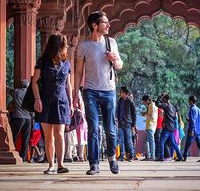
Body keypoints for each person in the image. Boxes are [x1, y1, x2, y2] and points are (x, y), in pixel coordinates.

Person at [73, 11, 123, 175]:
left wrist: (114, 59)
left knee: (110, 128)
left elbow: (120, 65)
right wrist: (75, 94)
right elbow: (79, 71)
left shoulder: (111, 42)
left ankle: (111, 157)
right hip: (90, 91)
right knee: (93, 128)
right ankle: (94, 164)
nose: (108, 25)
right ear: (95, 25)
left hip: (109, 91)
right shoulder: (84, 46)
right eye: (105, 22)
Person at [32, 34, 73, 174]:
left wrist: (72, 103)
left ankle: (61, 164)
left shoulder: (67, 62)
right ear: (57, 46)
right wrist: (37, 99)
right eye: (64, 44)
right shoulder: (43, 61)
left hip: (62, 100)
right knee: (48, 135)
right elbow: (35, 81)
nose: (66, 47)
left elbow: (68, 85)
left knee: (60, 134)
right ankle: (51, 165)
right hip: (45, 100)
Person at [6, 80, 32, 162]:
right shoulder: (30, 94)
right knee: (26, 139)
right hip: (28, 119)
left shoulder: (17, 92)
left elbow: (8, 90)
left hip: (18, 117)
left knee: (13, 136)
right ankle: (23, 157)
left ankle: (10, 152)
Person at [155, 93, 184, 161]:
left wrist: (161, 95)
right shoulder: (173, 107)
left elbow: (157, 103)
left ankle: (161, 157)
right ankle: (180, 156)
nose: (162, 101)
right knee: (173, 143)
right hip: (172, 128)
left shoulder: (166, 105)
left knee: (161, 141)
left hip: (167, 128)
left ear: (165, 99)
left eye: (163, 99)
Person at [183, 96, 200, 162]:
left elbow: (193, 120)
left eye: (189, 100)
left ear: (191, 101)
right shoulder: (198, 109)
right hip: (198, 130)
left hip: (193, 130)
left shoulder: (192, 109)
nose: (188, 102)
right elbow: (198, 120)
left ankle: (184, 157)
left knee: (187, 144)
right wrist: (189, 120)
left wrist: (192, 130)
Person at [116, 86, 136, 162]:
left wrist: (133, 124)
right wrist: (117, 120)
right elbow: (117, 111)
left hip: (128, 124)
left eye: (121, 92)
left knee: (129, 140)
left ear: (124, 93)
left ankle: (131, 155)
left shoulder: (130, 102)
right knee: (121, 140)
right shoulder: (119, 101)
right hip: (120, 123)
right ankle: (121, 156)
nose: (120, 93)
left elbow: (134, 114)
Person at [141, 95, 158, 161]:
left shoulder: (152, 106)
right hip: (149, 126)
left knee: (151, 141)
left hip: (151, 126)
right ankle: (148, 156)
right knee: (147, 141)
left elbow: (152, 117)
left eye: (144, 101)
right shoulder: (150, 106)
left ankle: (152, 156)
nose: (144, 103)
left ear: (147, 100)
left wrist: (144, 114)